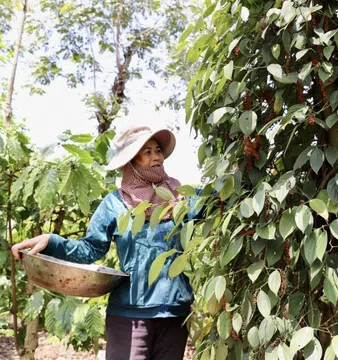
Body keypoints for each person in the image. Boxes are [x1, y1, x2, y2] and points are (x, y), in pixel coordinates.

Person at [12, 125, 200, 360]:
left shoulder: (182, 198)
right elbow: (90, 249)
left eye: (158, 150)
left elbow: (217, 200)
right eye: (147, 152)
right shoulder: (115, 204)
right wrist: (51, 241)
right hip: (129, 316)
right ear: (131, 161)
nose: (156, 157)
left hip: (175, 314)